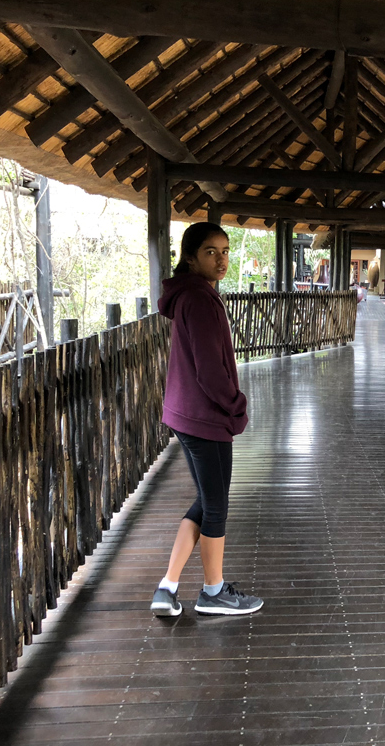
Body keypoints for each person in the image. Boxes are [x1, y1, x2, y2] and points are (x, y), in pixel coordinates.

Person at [150, 222, 264, 618]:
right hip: (204, 416)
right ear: (191, 256)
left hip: (187, 413)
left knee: (206, 500)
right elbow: (208, 370)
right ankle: (213, 592)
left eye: (225, 250)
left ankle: (167, 586)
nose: (221, 259)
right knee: (216, 506)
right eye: (211, 251)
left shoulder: (191, 294)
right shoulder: (198, 299)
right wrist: (236, 404)